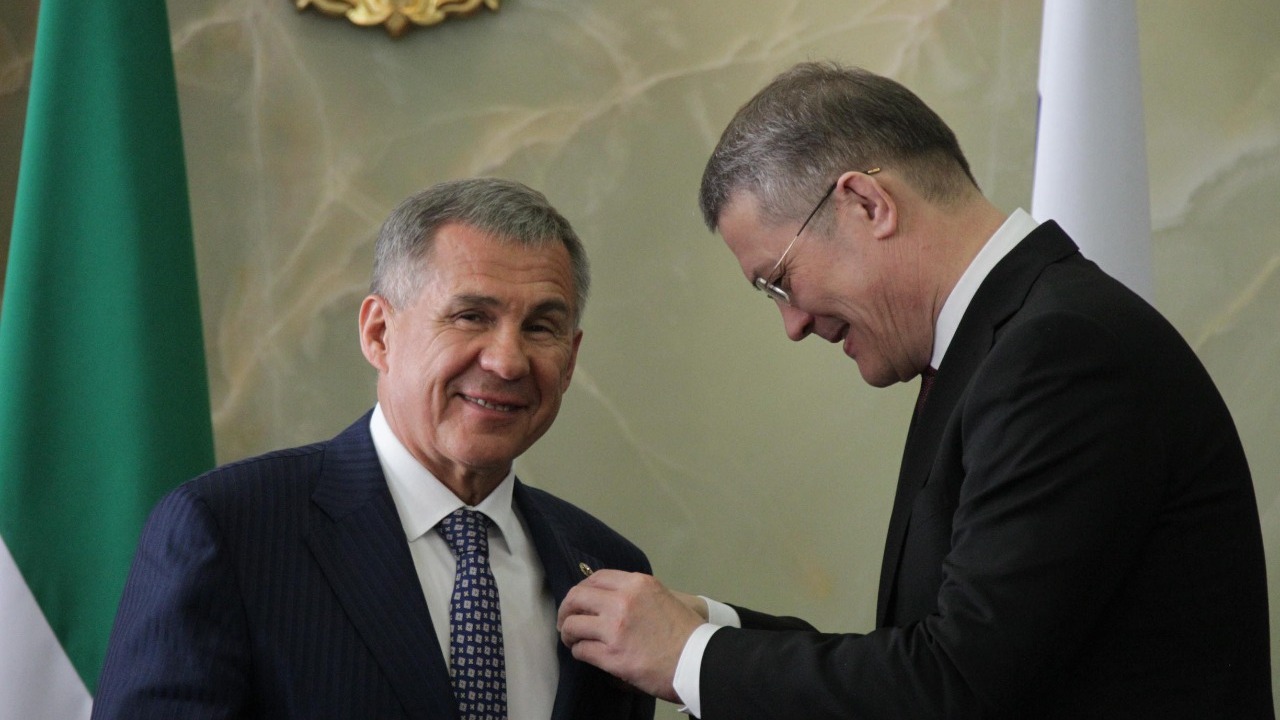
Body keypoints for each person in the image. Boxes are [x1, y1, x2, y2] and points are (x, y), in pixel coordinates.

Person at [556, 62, 1273, 719]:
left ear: (867, 204)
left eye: (779, 281)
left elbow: (954, 688)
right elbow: (938, 649)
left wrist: (690, 658)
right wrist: (709, 630)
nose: (793, 324)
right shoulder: (1004, 343)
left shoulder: (1059, 354)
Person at [92, 178, 655, 720]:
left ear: (570, 359)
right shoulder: (228, 532)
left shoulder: (610, 570)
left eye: (540, 327)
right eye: (471, 317)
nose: (507, 361)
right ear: (379, 334)